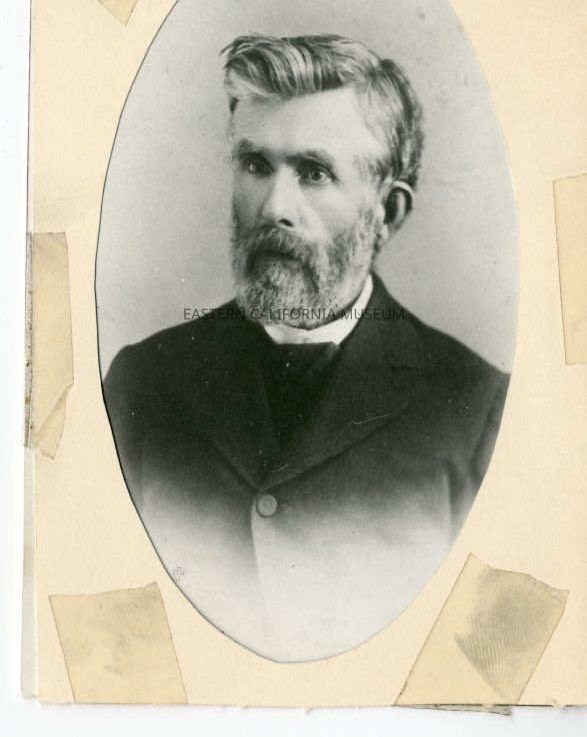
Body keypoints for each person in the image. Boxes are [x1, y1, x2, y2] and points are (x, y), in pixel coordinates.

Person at [103, 34, 509, 661]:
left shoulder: (478, 410)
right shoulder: (142, 380)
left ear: (388, 212)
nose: (274, 207)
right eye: (255, 165)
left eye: (314, 173)